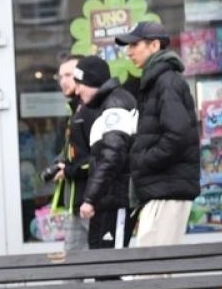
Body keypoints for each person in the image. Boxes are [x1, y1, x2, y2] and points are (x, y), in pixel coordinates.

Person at [113, 21, 200, 246]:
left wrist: (143, 161)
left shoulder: (166, 81)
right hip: (161, 189)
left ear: (154, 45)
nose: (129, 51)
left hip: (166, 190)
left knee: (153, 270)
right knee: (156, 270)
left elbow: (177, 135)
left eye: (134, 44)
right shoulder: (158, 80)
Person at [72, 58, 139, 249]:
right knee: (101, 263)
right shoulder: (110, 104)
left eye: (80, 85)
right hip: (109, 201)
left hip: (116, 201)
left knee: (112, 265)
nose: (76, 91)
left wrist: (90, 198)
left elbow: (112, 156)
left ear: (92, 82)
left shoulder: (115, 105)